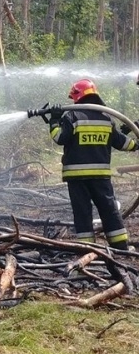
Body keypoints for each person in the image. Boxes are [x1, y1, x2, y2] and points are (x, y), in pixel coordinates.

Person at [46, 78, 137, 251]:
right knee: (109, 209)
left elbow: (59, 137)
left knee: (82, 213)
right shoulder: (106, 119)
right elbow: (123, 143)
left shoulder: (72, 116)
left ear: (77, 96)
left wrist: (54, 120)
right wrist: (136, 143)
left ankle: (87, 249)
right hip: (100, 177)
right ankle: (121, 247)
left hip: (76, 178)